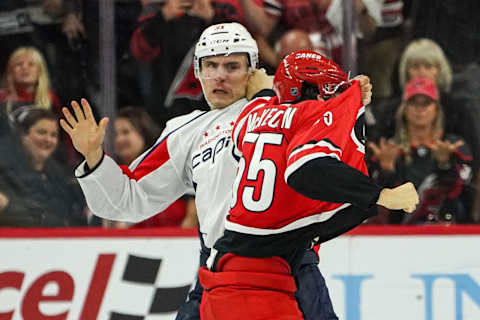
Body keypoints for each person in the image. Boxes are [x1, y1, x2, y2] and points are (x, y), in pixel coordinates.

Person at [60, 22, 373, 320]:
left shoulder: (287, 110)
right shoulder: (185, 132)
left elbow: (330, 122)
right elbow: (128, 199)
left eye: (232, 66)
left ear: (252, 71)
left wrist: (348, 97)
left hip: (287, 267)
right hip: (216, 270)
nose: (220, 76)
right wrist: (95, 159)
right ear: (197, 72)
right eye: (210, 66)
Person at [198, 50, 419, 319]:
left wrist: (350, 97)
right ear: (312, 94)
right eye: (327, 92)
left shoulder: (249, 118)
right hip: (260, 288)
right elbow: (305, 169)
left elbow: (265, 94)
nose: (330, 101)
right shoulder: (310, 116)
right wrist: (381, 195)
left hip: (222, 283)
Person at [368, 77, 472, 224]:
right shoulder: (387, 148)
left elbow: (462, 192)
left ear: (436, 109)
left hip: (446, 229)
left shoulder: (453, 145)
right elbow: (375, 202)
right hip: (396, 232)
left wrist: (445, 165)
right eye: (413, 103)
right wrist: (386, 170)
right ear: (404, 108)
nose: (420, 109)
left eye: (426, 103)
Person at [113, 106, 197, 229]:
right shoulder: (114, 174)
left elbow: (193, 205)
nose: (119, 139)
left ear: (143, 132)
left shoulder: (168, 161)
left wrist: (182, 237)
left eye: (126, 132)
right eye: (115, 134)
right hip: (134, 245)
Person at [0, 108, 87, 227]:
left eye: (53, 135)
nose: (48, 139)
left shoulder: (62, 176)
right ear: (23, 135)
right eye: (41, 132)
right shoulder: (4, 173)